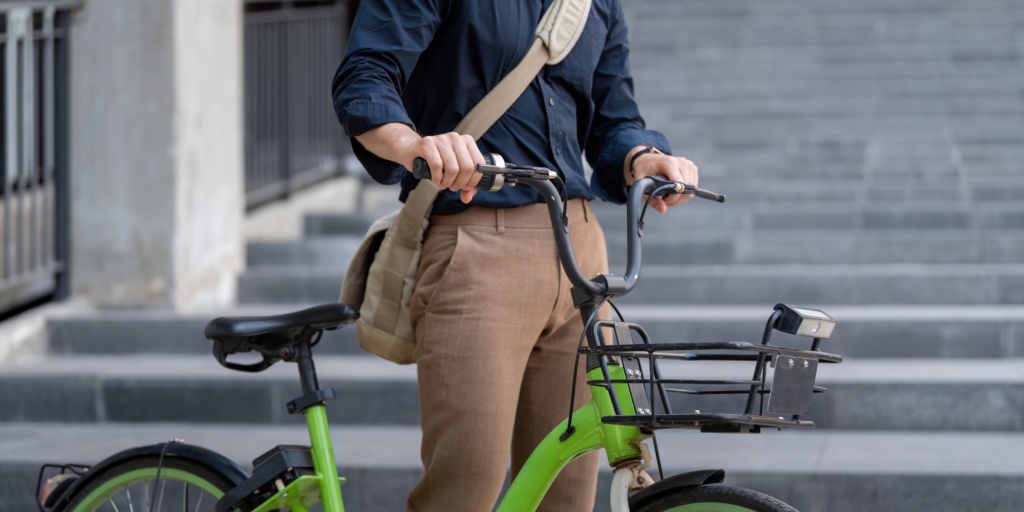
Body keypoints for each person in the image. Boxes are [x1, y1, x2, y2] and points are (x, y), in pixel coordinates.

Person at [332, 0, 699, 510]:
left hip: (582, 253)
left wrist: (643, 156)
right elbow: (366, 75)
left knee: (567, 492)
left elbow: (614, 119)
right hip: (479, 245)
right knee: (464, 488)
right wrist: (414, 143)